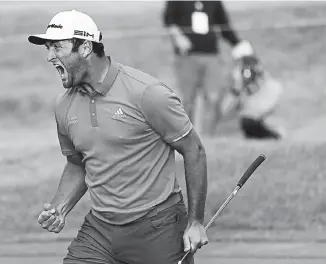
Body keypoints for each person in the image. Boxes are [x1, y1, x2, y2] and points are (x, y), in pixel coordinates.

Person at [28, 10, 209, 264]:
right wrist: (60, 206)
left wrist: (196, 222)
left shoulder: (147, 93)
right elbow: (77, 163)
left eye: (57, 47)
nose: (49, 57)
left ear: (85, 47)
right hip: (100, 231)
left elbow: (194, 149)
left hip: (158, 228)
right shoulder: (63, 105)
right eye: (48, 48)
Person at [163, 0, 254, 136]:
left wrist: (239, 44)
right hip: (187, 57)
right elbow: (169, 21)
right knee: (187, 100)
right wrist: (178, 37)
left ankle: (207, 138)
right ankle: (185, 138)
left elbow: (224, 26)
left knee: (213, 98)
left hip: (212, 56)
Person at [220, 54, 285, 139]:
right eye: (244, 71)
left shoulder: (273, 86)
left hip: (264, 125)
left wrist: (257, 84)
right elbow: (223, 111)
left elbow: (261, 110)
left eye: (250, 71)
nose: (248, 75)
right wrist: (237, 89)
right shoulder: (239, 88)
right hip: (244, 126)